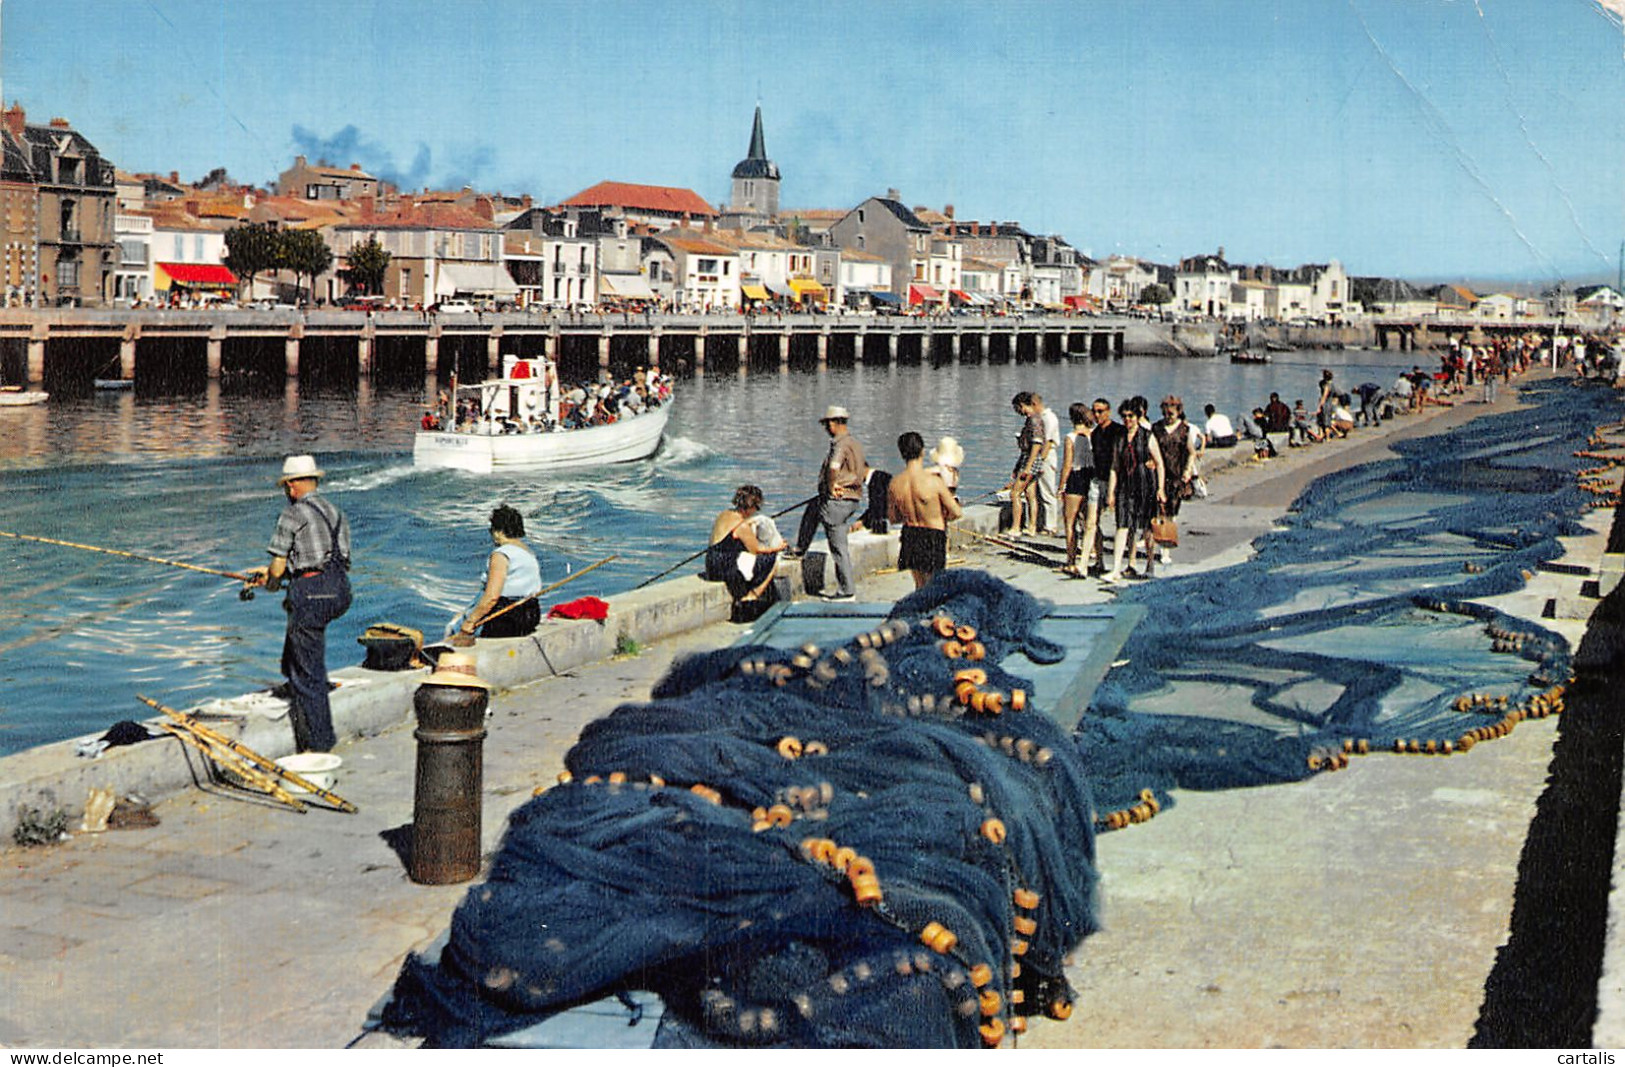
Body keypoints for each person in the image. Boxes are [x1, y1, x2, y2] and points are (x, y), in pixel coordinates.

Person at [246, 455, 352, 753]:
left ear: (292, 486)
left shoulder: (291, 514)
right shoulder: (335, 512)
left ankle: (320, 744)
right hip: (340, 590)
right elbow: (327, 560)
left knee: (310, 673)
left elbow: (279, 570)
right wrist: (272, 574)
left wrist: (270, 581)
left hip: (311, 593)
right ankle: (291, 677)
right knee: (301, 643)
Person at [793, 405, 866, 601]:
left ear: (834, 423)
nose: (826, 428)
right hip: (851, 498)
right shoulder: (855, 443)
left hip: (837, 501)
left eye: (827, 424)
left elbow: (834, 467)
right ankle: (800, 548)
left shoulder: (840, 444)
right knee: (813, 510)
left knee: (837, 547)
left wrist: (832, 485)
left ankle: (846, 591)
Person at [888, 432, 963, 589]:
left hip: (909, 534)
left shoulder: (895, 484)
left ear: (902, 453)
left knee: (919, 586)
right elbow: (956, 512)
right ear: (922, 451)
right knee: (935, 587)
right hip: (932, 535)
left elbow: (893, 518)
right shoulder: (933, 482)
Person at [458, 504, 543, 641]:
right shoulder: (527, 552)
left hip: (507, 619)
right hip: (531, 615)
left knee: (456, 629)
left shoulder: (501, 554)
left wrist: (469, 623)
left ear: (498, 531)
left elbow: (492, 597)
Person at [1102, 401, 1164, 583]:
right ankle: (1115, 569)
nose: (1128, 420)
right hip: (1124, 485)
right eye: (1125, 416)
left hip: (1145, 484)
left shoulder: (1147, 436)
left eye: (1131, 416)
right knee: (1121, 525)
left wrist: (1160, 488)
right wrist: (1111, 492)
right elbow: (1114, 466)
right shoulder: (1119, 438)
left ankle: (1150, 565)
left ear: (1138, 417)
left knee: (1147, 527)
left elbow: (1159, 462)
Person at [707, 485, 786, 603]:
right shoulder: (742, 526)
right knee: (772, 558)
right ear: (751, 506)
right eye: (757, 508)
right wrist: (778, 547)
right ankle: (753, 595)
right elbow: (755, 550)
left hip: (711, 564)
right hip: (725, 568)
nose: (756, 512)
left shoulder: (724, 514)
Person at [1151, 395, 1199, 568]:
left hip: (1176, 476)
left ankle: (1166, 549)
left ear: (1179, 411)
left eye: (1171, 412)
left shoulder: (1185, 430)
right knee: (1157, 510)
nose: (1168, 416)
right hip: (1158, 474)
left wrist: (1187, 471)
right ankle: (1156, 545)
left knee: (1171, 511)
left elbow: (1192, 452)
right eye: (1165, 412)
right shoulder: (1156, 428)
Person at [1059, 403, 1097, 577]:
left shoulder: (1071, 437)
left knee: (1070, 521)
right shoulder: (1095, 435)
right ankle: (1093, 554)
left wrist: (1061, 486)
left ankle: (1071, 560)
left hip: (1076, 478)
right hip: (1092, 477)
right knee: (1089, 521)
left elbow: (1067, 464)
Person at [1087, 397, 1124, 575]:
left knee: (1121, 522)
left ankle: (1121, 564)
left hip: (1116, 480)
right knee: (1093, 521)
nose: (1096, 415)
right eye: (1094, 411)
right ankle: (1099, 560)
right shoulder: (1095, 434)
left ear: (1108, 411)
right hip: (1098, 479)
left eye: (1100, 411)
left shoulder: (1117, 431)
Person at [1007, 392, 1043, 535]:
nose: (1018, 412)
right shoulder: (1034, 419)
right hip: (1031, 460)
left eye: (1017, 408)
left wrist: (1027, 468)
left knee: (1015, 493)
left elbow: (1036, 444)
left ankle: (1016, 527)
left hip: (1030, 461)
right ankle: (1032, 526)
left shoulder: (1034, 420)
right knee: (1030, 494)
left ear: (1022, 405)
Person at [1033, 393, 1063, 535]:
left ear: (1034, 404)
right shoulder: (1041, 418)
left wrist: (1040, 461)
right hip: (1043, 454)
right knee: (1041, 491)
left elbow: (1048, 441)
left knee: (1047, 491)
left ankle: (1051, 525)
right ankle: (1043, 522)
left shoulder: (1049, 418)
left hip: (1047, 455)